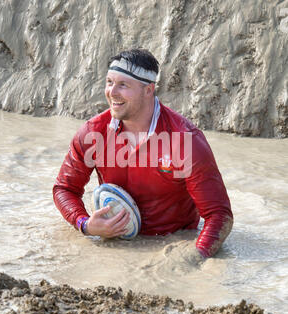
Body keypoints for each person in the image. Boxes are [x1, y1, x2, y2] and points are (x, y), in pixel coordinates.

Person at [53, 48, 233, 261]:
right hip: (114, 246)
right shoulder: (93, 132)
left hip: (169, 243)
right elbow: (64, 189)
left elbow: (219, 216)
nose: (112, 92)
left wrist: (192, 259)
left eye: (123, 85)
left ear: (148, 90)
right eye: (110, 83)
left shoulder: (185, 140)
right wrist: (85, 224)